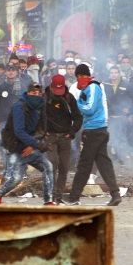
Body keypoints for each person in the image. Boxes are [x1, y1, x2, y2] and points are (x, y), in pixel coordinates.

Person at [64, 64, 122, 207]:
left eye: (81, 76)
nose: (80, 79)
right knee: (103, 163)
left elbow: (89, 109)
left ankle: (74, 197)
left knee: (84, 164)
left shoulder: (93, 87)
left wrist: (75, 105)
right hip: (97, 130)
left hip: (94, 131)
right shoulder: (87, 88)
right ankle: (115, 194)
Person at [0, 83, 55, 205]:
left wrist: (32, 146)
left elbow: (42, 129)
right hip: (15, 147)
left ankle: (48, 200)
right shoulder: (19, 107)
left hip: (30, 147)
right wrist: (36, 144)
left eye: (38, 93)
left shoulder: (41, 106)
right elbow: (19, 131)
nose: (36, 95)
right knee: (16, 178)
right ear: (28, 93)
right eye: (33, 93)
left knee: (48, 167)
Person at [42, 74, 82, 202]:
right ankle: (52, 194)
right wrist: (43, 132)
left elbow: (78, 117)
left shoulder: (69, 98)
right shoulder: (44, 98)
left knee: (64, 167)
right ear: (51, 86)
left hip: (65, 137)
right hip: (50, 137)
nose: (58, 93)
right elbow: (36, 116)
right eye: (56, 90)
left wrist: (72, 131)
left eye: (61, 90)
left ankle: (58, 196)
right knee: (52, 164)